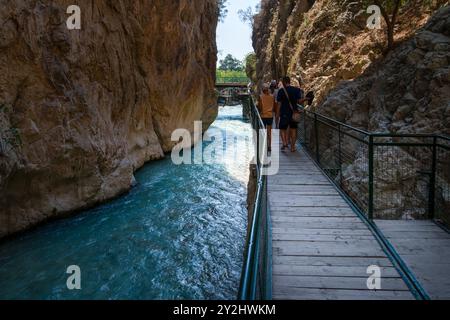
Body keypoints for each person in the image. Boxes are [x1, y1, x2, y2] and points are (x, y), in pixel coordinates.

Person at [276, 76, 308, 153]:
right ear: (289, 81)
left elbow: (279, 104)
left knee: (282, 129)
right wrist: (306, 99)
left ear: (283, 82)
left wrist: (277, 115)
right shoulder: (296, 90)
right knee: (293, 130)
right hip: (294, 113)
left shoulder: (281, 91)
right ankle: (293, 147)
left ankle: (284, 142)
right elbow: (299, 101)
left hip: (284, 113)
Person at [258, 84, 277, 152]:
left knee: (263, 131)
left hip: (263, 116)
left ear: (263, 91)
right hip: (270, 116)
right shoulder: (272, 97)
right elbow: (275, 106)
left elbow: (260, 107)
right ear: (268, 90)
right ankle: (269, 146)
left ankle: (263, 145)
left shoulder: (261, 97)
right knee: (269, 131)